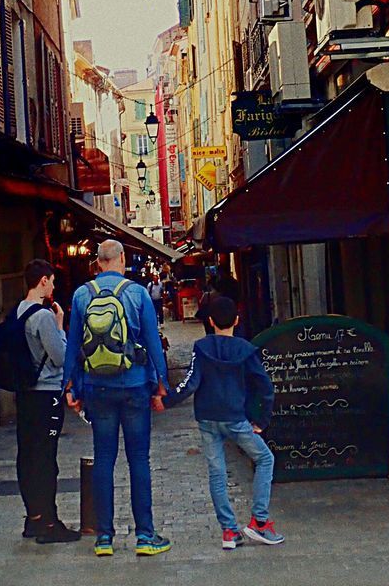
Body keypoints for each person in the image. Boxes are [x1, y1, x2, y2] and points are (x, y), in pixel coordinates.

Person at [63, 239, 172, 558]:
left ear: (98, 263)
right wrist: (161, 384)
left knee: (104, 458)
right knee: (139, 458)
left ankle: (104, 538)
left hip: (98, 387)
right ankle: (144, 536)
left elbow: (73, 346)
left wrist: (71, 388)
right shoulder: (137, 293)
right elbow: (153, 343)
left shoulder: (82, 294)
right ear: (122, 259)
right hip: (135, 385)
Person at [163, 296, 283, 549]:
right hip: (236, 417)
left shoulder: (202, 347)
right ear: (237, 320)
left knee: (217, 473)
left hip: (207, 417)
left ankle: (229, 531)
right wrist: (262, 419)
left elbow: (190, 383)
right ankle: (259, 521)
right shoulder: (245, 350)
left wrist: (167, 401)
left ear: (210, 321)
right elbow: (265, 386)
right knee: (265, 459)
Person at [15, 260, 81, 544]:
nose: (53, 286)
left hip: (26, 393)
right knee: (46, 459)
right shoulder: (42, 316)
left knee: (28, 456)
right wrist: (61, 326)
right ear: (43, 281)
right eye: (52, 281)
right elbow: (60, 357)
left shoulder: (19, 310)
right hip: (46, 394)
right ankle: (49, 523)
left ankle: (34, 518)